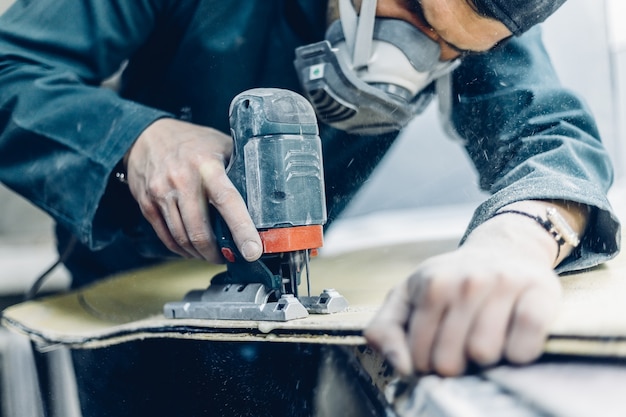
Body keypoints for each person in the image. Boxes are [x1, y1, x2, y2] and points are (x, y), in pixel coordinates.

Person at [0, 0, 620, 413]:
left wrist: (517, 242)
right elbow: (10, 68)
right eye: (411, 12)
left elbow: (554, 138)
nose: (412, 58)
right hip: (123, 303)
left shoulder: (473, 11)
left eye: (449, 50)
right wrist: (135, 140)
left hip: (287, 311)